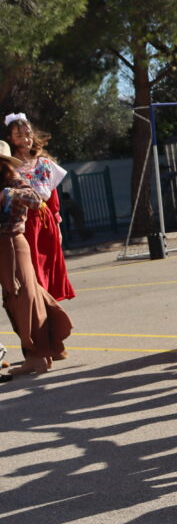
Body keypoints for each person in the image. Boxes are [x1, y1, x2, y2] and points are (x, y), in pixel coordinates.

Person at [0, 153, 73, 376]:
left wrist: (7, 193)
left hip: (12, 244)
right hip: (4, 247)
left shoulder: (13, 181)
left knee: (24, 298)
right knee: (16, 300)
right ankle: (41, 353)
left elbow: (35, 199)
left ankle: (38, 356)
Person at [5, 114, 75, 302]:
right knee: (32, 266)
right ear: (10, 138)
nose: (25, 139)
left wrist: (58, 227)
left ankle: (51, 304)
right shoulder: (9, 167)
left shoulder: (44, 164)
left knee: (50, 263)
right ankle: (38, 303)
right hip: (24, 222)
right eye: (19, 135)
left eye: (28, 134)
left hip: (46, 221)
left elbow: (53, 200)